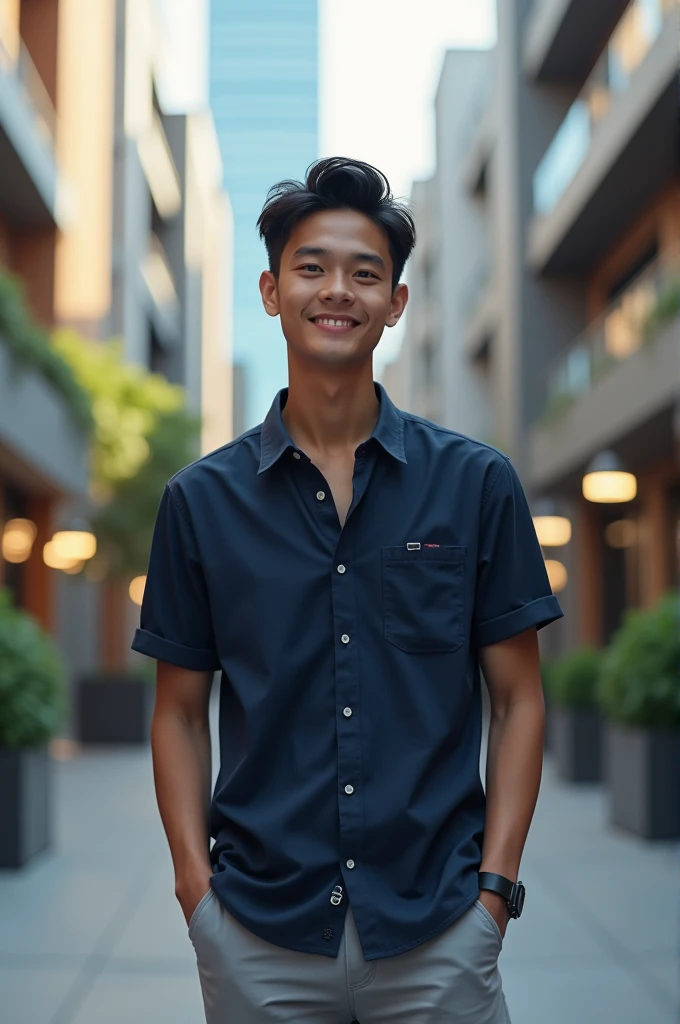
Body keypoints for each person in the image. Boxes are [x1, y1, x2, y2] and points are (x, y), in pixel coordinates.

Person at [132, 156, 563, 1023]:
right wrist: (196, 895)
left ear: (396, 303)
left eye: (366, 273)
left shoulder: (477, 485)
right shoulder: (199, 502)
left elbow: (519, 702)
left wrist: (495, 896)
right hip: (259, 934)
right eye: (312, 267)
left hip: (441, 929)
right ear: (270, 289)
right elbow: (178, 710)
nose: (338, 291)